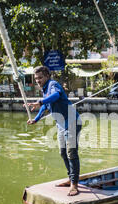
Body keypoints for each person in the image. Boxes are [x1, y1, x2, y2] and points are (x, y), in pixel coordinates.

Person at [26, 66, 82, 196]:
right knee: (63, 152)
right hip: (61, 125)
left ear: (47, 76)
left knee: (71, 152)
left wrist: (40, 102)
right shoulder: (45, 89)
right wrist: (36, 119)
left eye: (40, 78)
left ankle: (74, 184)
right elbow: (45, 105)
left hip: (72, 121)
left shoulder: (53, 84)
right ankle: (70, 178)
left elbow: (55, 95)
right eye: (36, 79)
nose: (38, 81)